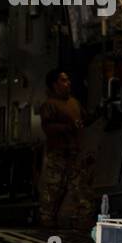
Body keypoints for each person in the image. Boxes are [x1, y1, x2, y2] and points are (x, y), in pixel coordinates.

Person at [38, 69, 94, 227]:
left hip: (74, 153)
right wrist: (68, 127)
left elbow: (85, 119)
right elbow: (47, 127)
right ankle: (47, 221)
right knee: (53, 189)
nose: (68, 83)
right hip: (58, 154)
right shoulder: (49, 105)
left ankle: (84, 220)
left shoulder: (73, 102)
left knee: (80, 188)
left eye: (68, 80)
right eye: (63, 80)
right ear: (54, 85)